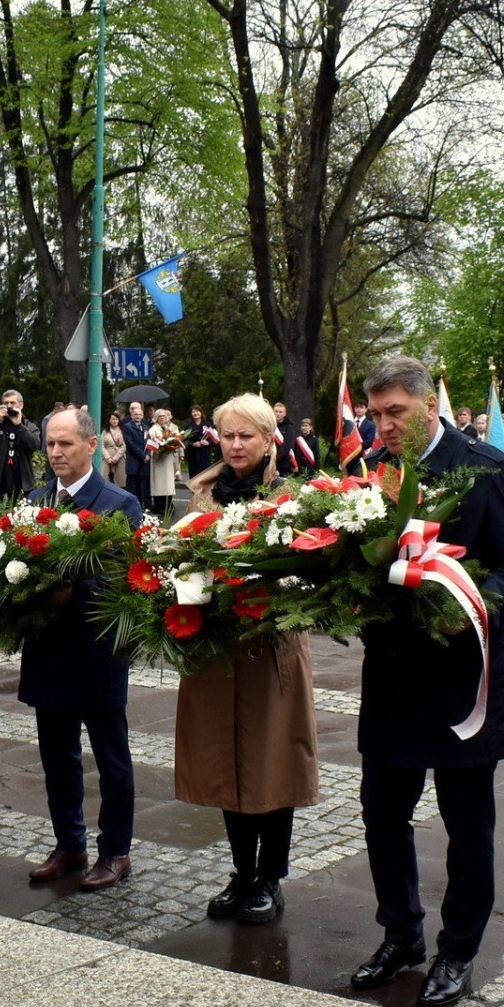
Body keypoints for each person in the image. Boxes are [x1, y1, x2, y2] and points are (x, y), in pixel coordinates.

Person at [351, 355, 504, 1007]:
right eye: (375, 415)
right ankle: (400, 935)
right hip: (395, 679)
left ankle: (457, 951)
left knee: (468, 827)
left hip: (466, 680)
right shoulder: (372, 475)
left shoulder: (487, 469)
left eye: (394, 412)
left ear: (429, 404)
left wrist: (472, 605)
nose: (383, 426)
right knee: (382, 811)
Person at [175, 394, 319, 925]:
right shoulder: (203, 494)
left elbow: (308, 571)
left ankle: (271, 878)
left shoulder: (289, 495)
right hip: (216, 647)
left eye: (246, 437)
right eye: (228, 436)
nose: (235, 446)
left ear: (267, 439)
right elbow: (185, 560)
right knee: (223, 760)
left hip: (270, 645)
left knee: (270, 761)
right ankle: (242, 872)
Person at [22, 407, 146, 890]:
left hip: (96, 653)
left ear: (91, 445)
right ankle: (69, 844)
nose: (55, 453)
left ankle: (115, 850)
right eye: (50, 444)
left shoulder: (118, 504)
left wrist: (75, 591)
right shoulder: (34, 501)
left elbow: (125, 580)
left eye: (66, 444)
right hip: (47, 649)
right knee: (57, 755)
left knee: (110, 756)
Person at [0, 388, 42, 500]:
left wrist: (19, 426)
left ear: (21, 405)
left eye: (12, 403)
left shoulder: (28, 426)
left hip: (23, 485)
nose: (9, 406)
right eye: (5, 403)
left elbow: (35, 445)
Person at [145, 407, 182, 517]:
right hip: (158, 460)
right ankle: (159, 506)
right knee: (159, 484)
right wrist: (160, 448)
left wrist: (173, 446)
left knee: (169, 483)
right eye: (160, 416)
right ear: (156, 418)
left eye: (163, 416)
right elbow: (151, 442)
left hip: (168, 460)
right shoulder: (153, 429)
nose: (162, 418)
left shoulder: (168, 428)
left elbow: (174, 440)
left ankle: (169, 505)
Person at [120, 401, 151, 511]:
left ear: (142, 416)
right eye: (135, 414)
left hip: (144, 463)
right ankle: (130, 509)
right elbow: (130, 444)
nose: (138, 416)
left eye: (140, 415)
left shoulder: (146, 427)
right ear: (132, 415)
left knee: (142, 487)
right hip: (134, 462)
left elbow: (149, 443)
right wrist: (143, 456)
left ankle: (140, 507)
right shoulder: (128, 427)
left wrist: (148, 454)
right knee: (132, 487)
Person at [184, 404, 219, 476]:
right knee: (194, 476)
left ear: (201, 412)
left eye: (197, 411)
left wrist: (208, 443)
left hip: (205, 454)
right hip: (193, 455)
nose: (195, 413)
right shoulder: (188, 426)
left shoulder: (208, 424)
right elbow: (184, 441)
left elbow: (215, 440)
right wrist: (193, 444)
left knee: (205, 475)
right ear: (191, 414)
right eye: (193, 412)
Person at [100, 411, 127, 489]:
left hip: (119, 457)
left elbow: (124, 446)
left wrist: (116, 458)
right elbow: (101, 446)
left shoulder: (122, 431)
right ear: (109, 420)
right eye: (113, 419)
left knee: (120, 481)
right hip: (107, 458)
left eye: (116, 419)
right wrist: (108, 458)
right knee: (105, 478)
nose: (115, 421)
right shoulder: (105, 431)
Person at [272, 400, 299, 473]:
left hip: (284, 464)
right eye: (276, 411)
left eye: (280, 412)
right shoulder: (270, 426)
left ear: (285, 414)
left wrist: (276, 458)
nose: (278, 414)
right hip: (269, 462)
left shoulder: (289, 427)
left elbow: (287, 446)